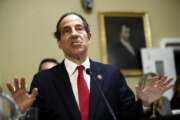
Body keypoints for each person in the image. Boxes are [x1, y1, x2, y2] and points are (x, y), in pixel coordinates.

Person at [6, 12, 173, 120]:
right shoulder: (43, 80)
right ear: (59, 43)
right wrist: (22, 112)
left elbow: (128, 115)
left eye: (79, 28)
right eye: (66, 31)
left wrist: (144, 103)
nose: (74, 34)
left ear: (89, 37)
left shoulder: (112, 74)